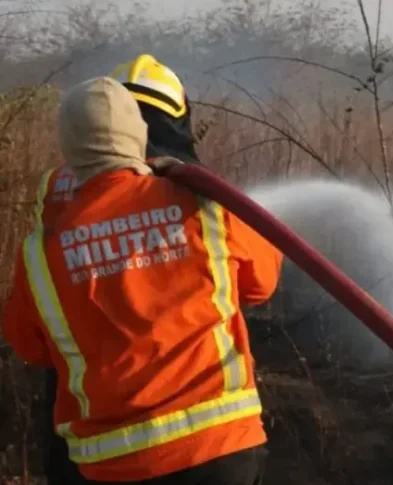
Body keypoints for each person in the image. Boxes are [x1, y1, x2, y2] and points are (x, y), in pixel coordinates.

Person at [2, 76, 282, 484]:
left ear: (68, 149)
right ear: (138, 134)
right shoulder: (199, 203)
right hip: (221, 451)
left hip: (113, 465)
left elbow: (30, 345)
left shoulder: (40, 252)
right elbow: (262, 284)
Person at [38, 54, 204, 485]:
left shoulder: (57, 188)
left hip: (81, 430)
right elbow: (259, 282)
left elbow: (34, 332)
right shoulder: (192, 194)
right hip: (197, 442)